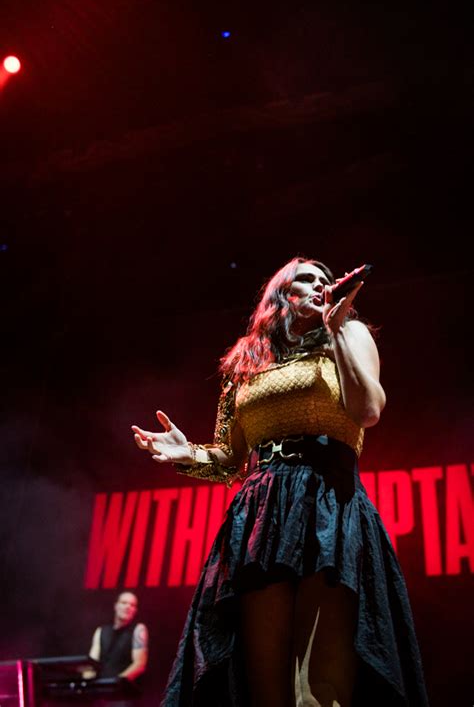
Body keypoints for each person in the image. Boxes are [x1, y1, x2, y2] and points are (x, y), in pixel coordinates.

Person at [132, 257, 429, 707]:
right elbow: (230, 458)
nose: (320, 285)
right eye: (306, 279)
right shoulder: (246, 362)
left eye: (326, 280)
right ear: (282, 296)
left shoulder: (350, 334)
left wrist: (335, 329)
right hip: (263, 511)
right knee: (265, 687)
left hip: (328, 500)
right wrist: (187, 453)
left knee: (317, 687)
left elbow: (368, 410)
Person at [88, 591, 149, 687]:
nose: (128, 607)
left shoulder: (138, 629)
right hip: (101, 688)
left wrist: (116, 682)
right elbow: (92, 662)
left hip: (124, 690)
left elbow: (139, 665)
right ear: (116, 606)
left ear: (135, 610)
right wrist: (88, 680)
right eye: (124, 603)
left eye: (132, 605)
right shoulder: (101, 631)